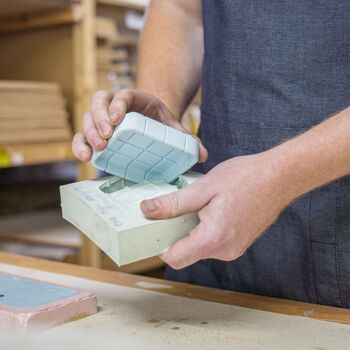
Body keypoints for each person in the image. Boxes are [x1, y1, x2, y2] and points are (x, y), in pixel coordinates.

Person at [72, 1, 350, 308]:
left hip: (336, 243)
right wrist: (155, 124)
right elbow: (179, 10)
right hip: (208, 226)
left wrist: (279, 177)